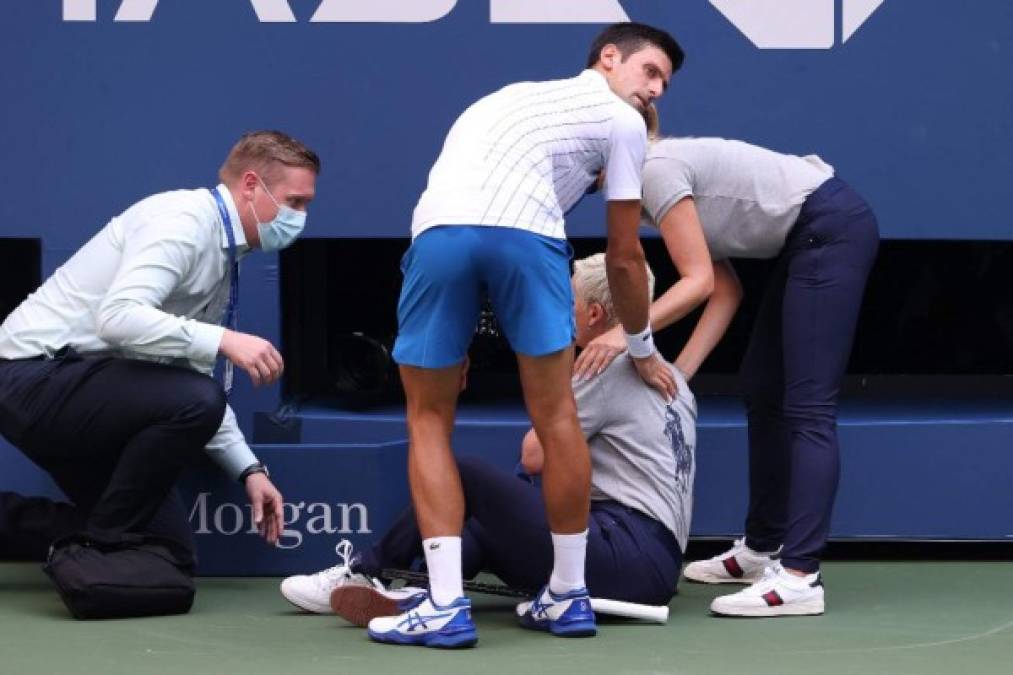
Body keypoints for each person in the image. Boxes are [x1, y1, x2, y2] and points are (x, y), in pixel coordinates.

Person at [378, 21, 685, 648]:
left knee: (428, 419)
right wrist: (642, 346)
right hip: (528, 241)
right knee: (557, 416)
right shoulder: (624, 122)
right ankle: (568, 597)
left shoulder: (504, 98)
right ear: (608, 58)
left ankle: (442, 605)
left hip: (439, 236)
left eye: (663, 83)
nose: (655, 90)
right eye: (650, 72)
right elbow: (625, 260)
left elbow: (475, 213)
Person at [281, 253, 697, 630]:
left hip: (623, 552)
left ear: (593, 314)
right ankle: (420, 590)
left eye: (566, 301)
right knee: (481, 528)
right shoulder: (673, 376)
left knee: (466, 475)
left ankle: (366, 568)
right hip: (653, 567)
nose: (560, 311)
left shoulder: (604, 365)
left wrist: (559, 380)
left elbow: (534, 455)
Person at [574, 106, 880, 617]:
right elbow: (726, 289)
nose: (588, 177)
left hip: (830, 228)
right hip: (808, 237)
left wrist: (626, 336)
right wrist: (678, 376)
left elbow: (698, 285)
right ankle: (763, 548)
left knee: (808, 408)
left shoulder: (655, 170)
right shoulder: (650, 185)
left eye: (589, 164)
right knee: (762, 386)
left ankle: (800, 575)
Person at [0, 130, 319, 571]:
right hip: (30, 378)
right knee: (196, 401)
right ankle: (101, 550)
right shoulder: (183, 223)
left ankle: (77, 537)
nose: (300, 217)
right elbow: (116, 318)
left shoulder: (226, 252)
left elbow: (190, 376)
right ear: (250, 186)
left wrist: (249, 470)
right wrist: (226, 340)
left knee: (168, 553)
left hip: (87, 395)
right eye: (295, 202)